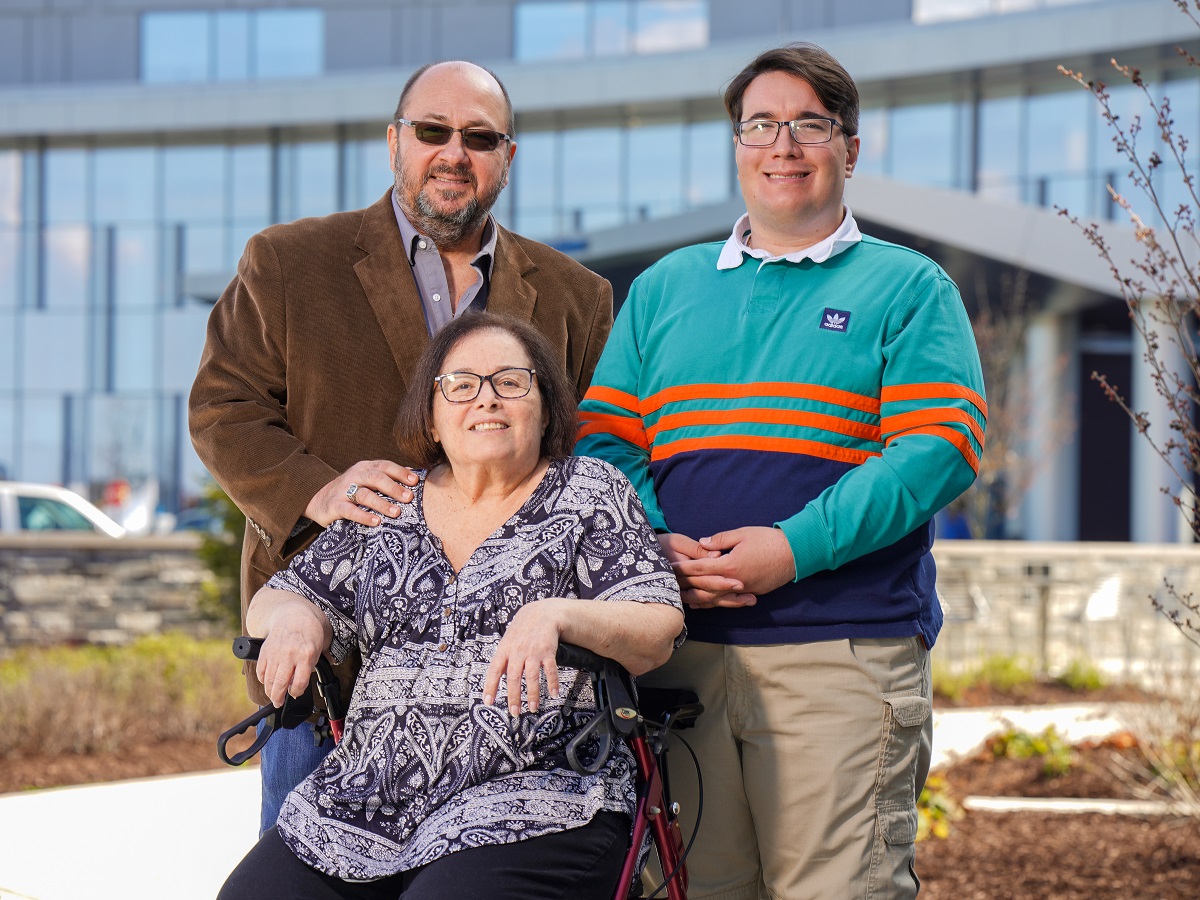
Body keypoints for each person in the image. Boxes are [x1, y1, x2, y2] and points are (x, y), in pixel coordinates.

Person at [576, 43, 987, 899]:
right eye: (760, 125)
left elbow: (938, 449)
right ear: (737, 145)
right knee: (693, 889)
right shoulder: (662, 289)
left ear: (851, 147)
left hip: (840, 654)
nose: (783, 146)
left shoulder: (907, 288)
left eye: (809, 124)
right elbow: (605, 445)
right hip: (680, 656)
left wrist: (789, 549)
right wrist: (658, 545)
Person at [188, 60, 613, 834]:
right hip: (331, 668)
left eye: (480, 138)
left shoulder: (576, 296)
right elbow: (223, 407)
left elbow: (592, 459)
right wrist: (312, 490)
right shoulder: (288, 263)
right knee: (312, 879)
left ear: (507, 158)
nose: (455, 153)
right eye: (432, 131)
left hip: (511, 691)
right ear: (395, 142)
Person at [218, 313, 683, 900]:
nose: (485, 400)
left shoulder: (588, 490)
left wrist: (555, 614)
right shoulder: (392, 500)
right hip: (364, 800)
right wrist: (291, 622)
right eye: (461, 385)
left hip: (534, 799)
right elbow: (282, 594)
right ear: (431, 416)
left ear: (545, 407)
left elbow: (656, 622)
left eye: (512, 382)